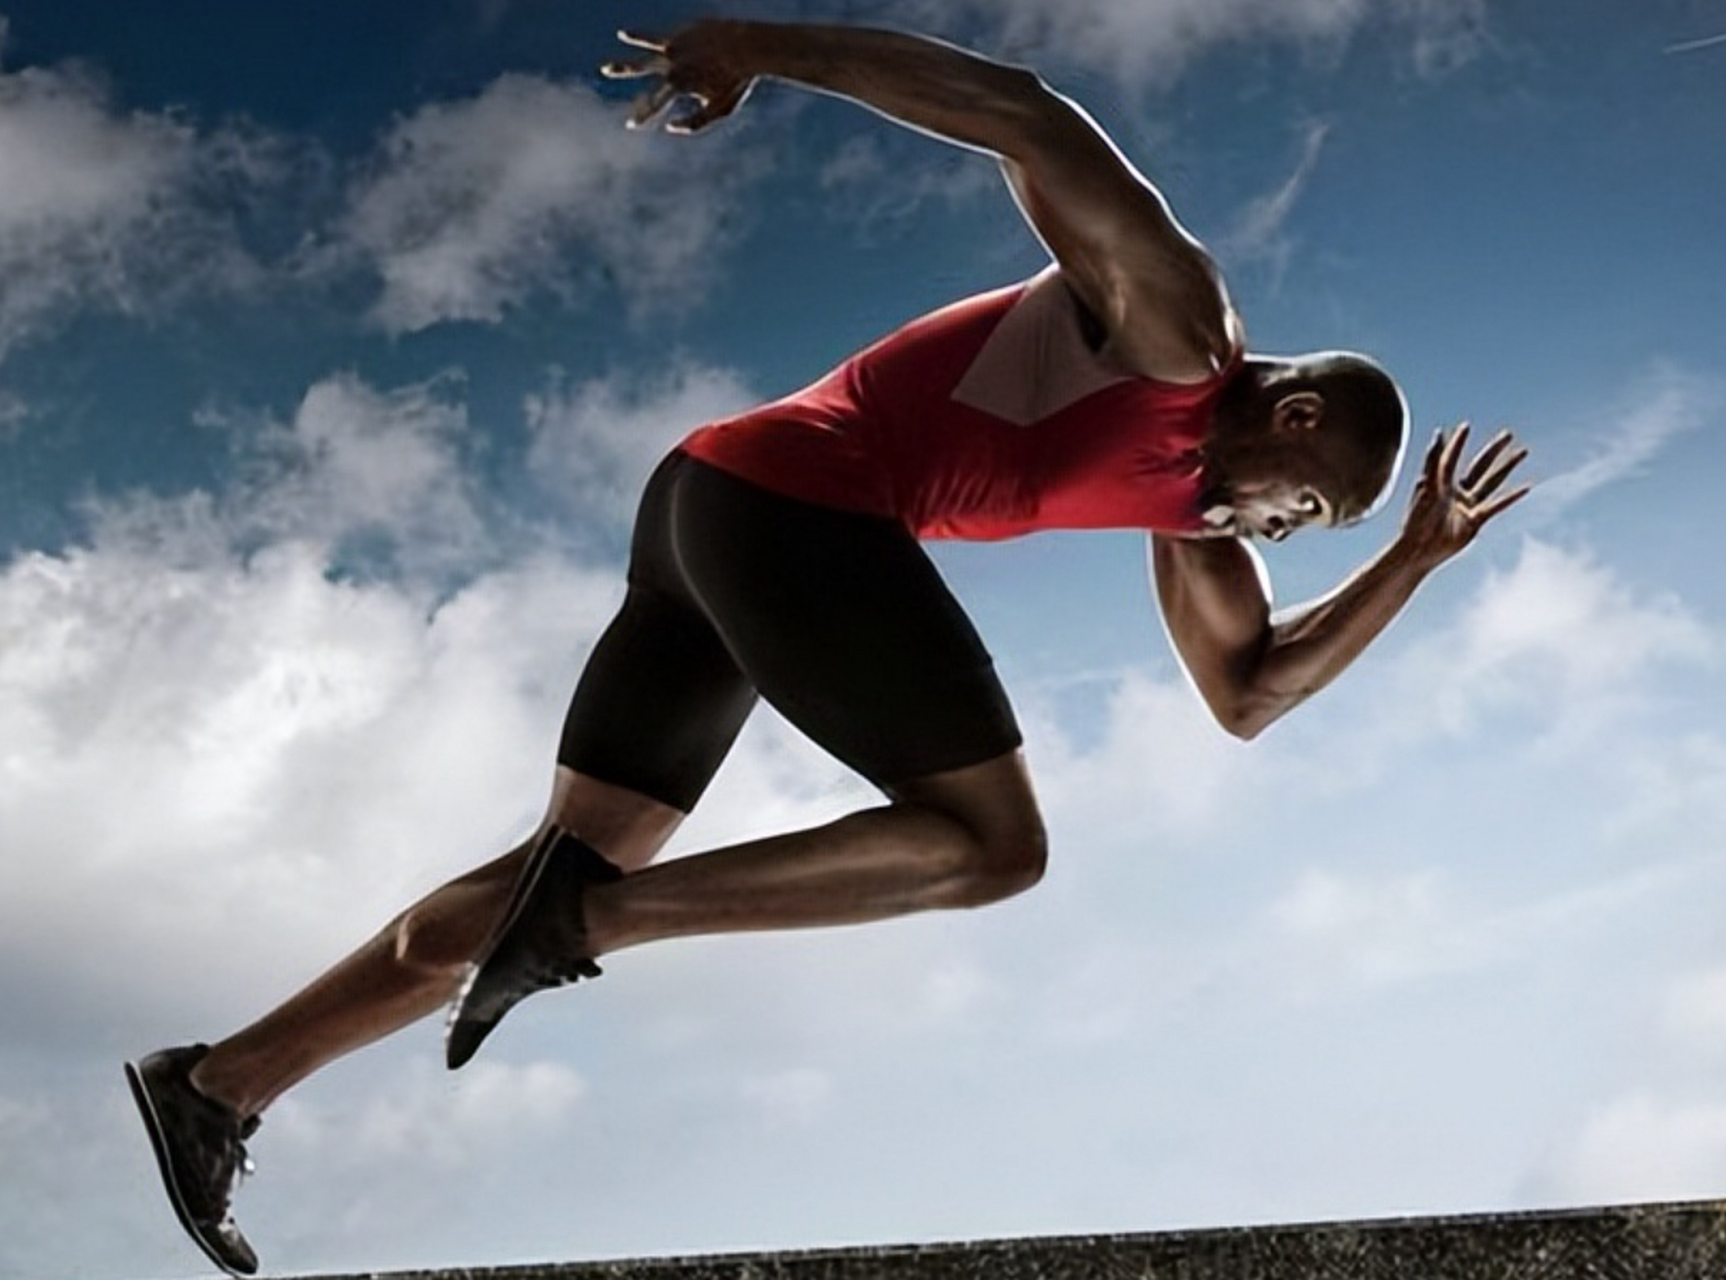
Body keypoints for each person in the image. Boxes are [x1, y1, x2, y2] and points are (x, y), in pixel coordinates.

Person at [125, 18, 1528, 1276]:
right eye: (1304, 508)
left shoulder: (1186, 517)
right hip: (790, 510)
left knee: (552, 866)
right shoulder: (1179, 329)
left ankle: (219, 1086)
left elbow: (1248, 691)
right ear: (1294, 417)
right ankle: (578, 928)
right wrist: (761, 44)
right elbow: (1026, 116)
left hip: (708, 515)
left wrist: (1410, 559)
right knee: (992, 848)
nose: (1276, 531)